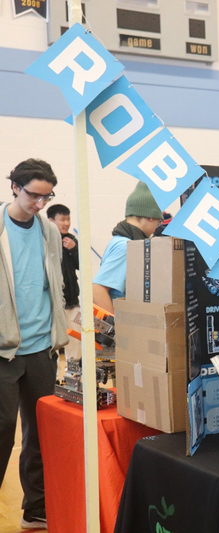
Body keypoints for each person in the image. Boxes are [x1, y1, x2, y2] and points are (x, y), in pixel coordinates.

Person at [0, 159, 69, 530]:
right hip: (3, 349)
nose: (40, 204)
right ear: (15, 187)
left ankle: (35, 508)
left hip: (42, 345)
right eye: (33, 195)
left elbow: (52, 285)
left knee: (41, 429)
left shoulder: (48, 232)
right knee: (3, 425)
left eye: (47, 197)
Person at [92, 181, 162, 313]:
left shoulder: (121, 240)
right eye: (159, 221)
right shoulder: (126, 247)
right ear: (151, 217)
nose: (155, 229)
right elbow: (97, 290)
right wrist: (114, 329)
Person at [46, 204, 79, 310]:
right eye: (62, 220)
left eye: (68, 219)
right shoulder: (44, 240)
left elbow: (83, 267)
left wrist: (74, 249)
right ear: (51, 221)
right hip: (52, 302)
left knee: (76, 327)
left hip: (72, 301)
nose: (66, 223)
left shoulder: (72, 240)